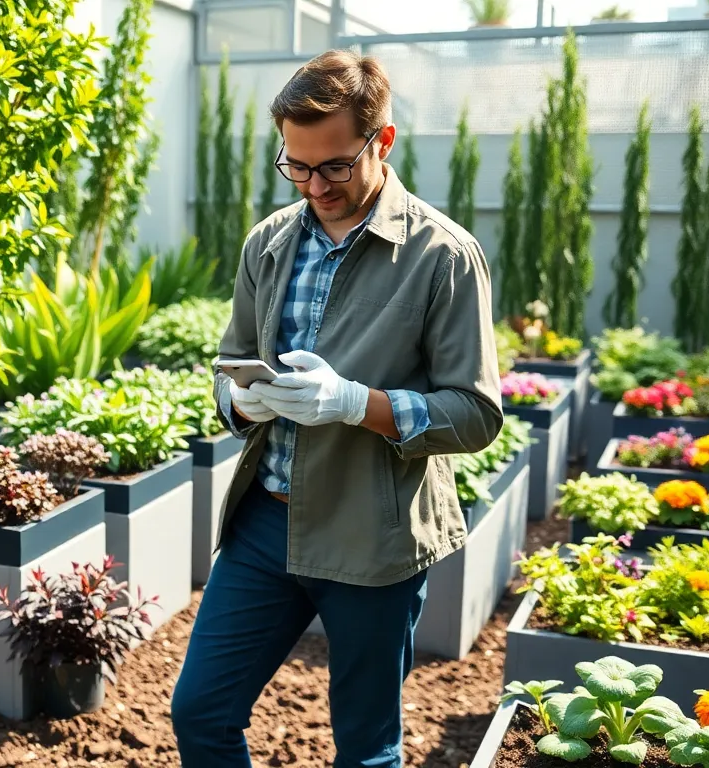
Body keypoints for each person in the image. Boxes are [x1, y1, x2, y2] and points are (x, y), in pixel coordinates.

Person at [169, 49, 503, 767]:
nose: (314, 185)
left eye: (334, 167)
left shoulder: (442, 256)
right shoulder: (269, 242)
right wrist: (240, 401)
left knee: (365, 747)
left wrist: (357, 404)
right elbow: (228, 361)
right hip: (266, 520)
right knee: (200, 713)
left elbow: (475, 414)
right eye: (296, 165)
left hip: (373, 538)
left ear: (381, 141)